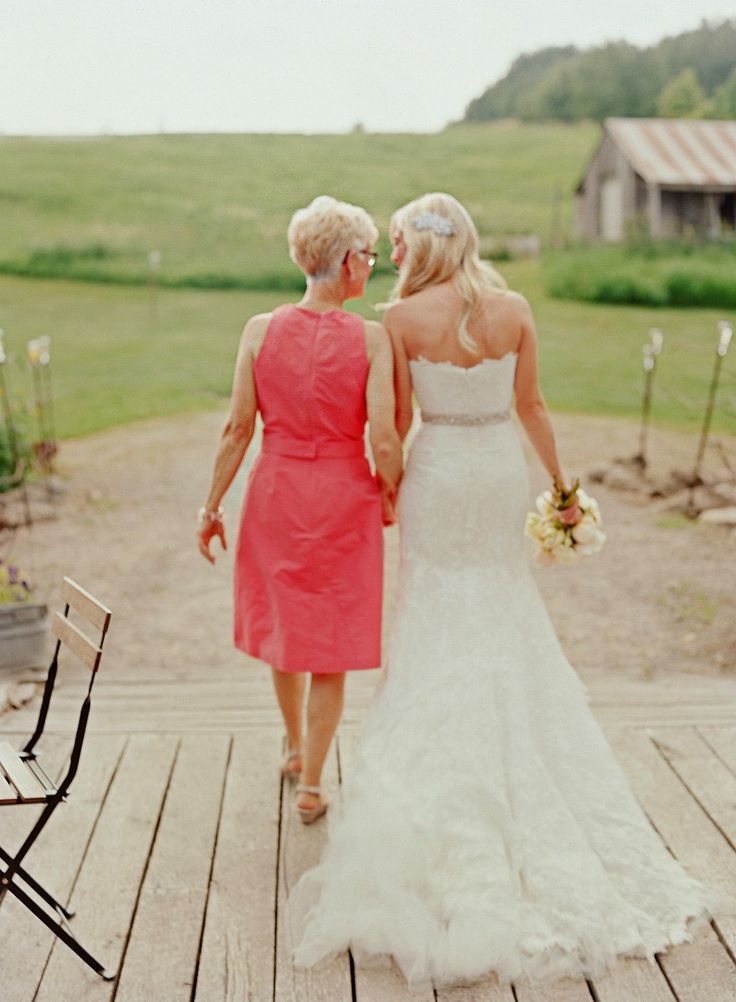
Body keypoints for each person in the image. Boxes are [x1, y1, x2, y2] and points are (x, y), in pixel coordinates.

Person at [290, 193, 714, 985]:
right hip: (495, 473)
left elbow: (396, 425)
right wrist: (560, 484)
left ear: (417, 248)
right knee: (503, 607)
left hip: (440, 473)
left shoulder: (400, 323)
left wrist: (386, 488)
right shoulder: (514, 309)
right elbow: (533, 405)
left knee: (433, 612)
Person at [197, 195, 402, 823]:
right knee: (332, 645)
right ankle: (312, 782)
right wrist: (389, 492)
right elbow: (385, 438)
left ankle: (293, 745)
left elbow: (237, 429)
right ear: (345, 262)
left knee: (285, 630)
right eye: (367, 256)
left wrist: (210, 507)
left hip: (276, 495)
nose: (371, 266)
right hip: (344, 498)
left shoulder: (259, 331)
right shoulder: (371, 339)